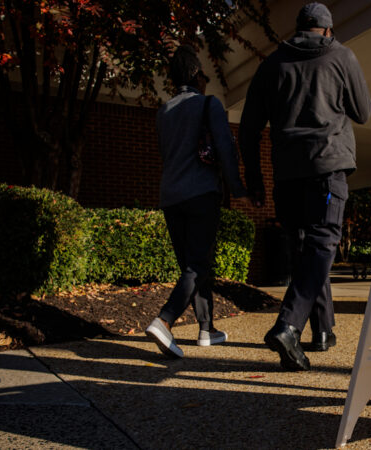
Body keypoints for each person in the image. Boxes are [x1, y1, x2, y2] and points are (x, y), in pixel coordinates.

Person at [239, 2, 371, 371]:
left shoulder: (270, 66)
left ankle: (324, 329)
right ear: (328, 30)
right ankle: (288, 325)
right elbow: (363, 111)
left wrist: (255, 179)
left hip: (286, 174)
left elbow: (248, 131)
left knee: (306, 250)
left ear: (298, 29)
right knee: (323, 244)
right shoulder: (342, 56)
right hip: (327, 168)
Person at [145, 44, 251, 358]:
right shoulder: (209, 105)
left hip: (171, 196)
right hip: (201, 193)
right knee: (198, 264)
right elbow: (226, 152)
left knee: (192, 265)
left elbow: (166, 155)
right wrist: (239, 189)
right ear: (196, 75)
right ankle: (164, 320)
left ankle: (207, 329)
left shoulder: (163, 112)